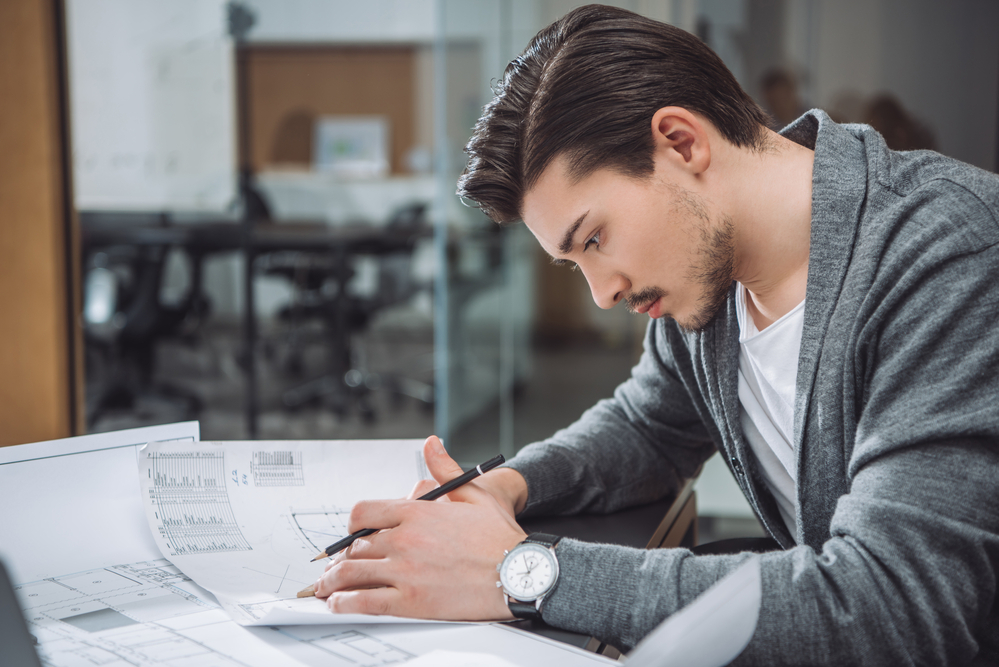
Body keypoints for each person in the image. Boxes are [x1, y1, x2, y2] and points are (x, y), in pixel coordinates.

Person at [313, 5, 999, 664]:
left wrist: (517, 572)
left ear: (680, 142)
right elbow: (644, 430)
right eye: (571, 261)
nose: (602, 291)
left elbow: (892, 606)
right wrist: (507, 487)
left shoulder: (947, 255)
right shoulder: (708, 280)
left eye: (595, 238)